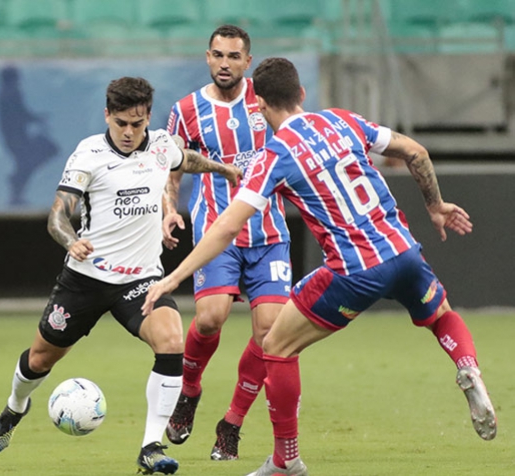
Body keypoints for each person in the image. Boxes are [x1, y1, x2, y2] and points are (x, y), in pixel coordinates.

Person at [143, 57, 497, 475]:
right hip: (404, 252)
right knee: (441, 316)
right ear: (302, 95)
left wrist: (175, 275)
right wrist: (435, 206)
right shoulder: (341, 120)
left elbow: (225, 228)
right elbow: (414, 150)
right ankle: (467, 367)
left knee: (275, 345)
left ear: (256, 105)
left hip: (354, 269)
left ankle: (286, 460)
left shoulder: (274, 155)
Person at [0, 77, 241, 475]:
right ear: (107, 115)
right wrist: (70, 242)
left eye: (136, 124)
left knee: (172, 341)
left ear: (147, 118)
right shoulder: (88, 154)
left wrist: (222, 169)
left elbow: (183, 158)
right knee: (39, 359)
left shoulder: (159, 144)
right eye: (120, 122)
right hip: (85, 280)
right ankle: (14, 409)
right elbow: (57, 215)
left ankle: (150, 447)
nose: (127, 132)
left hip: (139, 281)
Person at [163, 25, 292, 460]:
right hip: (218, 232)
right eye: (217, 55)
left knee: (270, 333)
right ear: (207, 57)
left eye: (233, 57)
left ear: (247, 62)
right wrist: (168, 208)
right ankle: (190, 390)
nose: (224, 63)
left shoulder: (266, 100)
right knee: (209, 319)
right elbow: (173, 169)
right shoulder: (186, 110)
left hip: (269, 234)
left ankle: (231, 424)